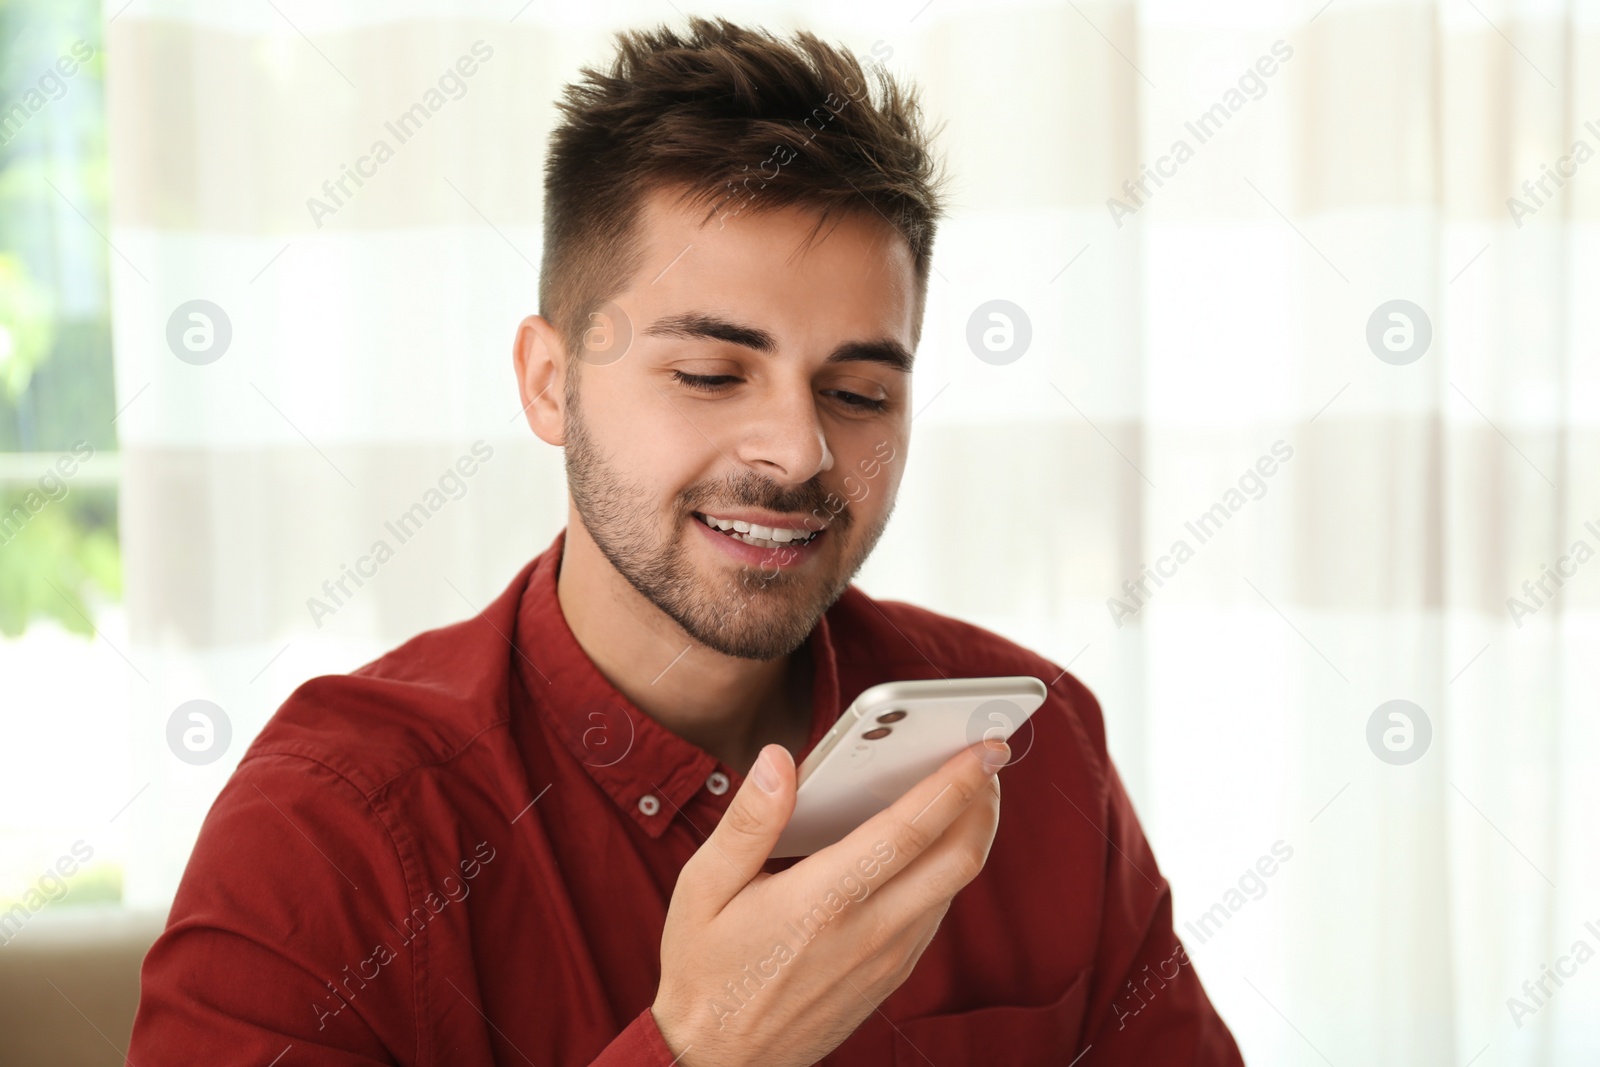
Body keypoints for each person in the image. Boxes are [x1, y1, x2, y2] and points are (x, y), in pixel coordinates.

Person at [128, 17, 1243, 1066]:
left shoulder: (1033, 753)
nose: (796, 449)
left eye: (857, 391)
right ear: (550, 383)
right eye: (709, 373)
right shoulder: (332, 829)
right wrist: (702, 1046)